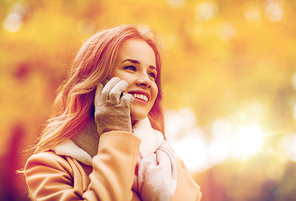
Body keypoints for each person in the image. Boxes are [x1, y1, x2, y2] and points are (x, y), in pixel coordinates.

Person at [24, 24, 202, 201]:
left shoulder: (169, 163)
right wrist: (116, 133)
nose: (146, 81)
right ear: (95, 80)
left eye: (152, 74)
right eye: (131, 68)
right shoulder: (49, 167)